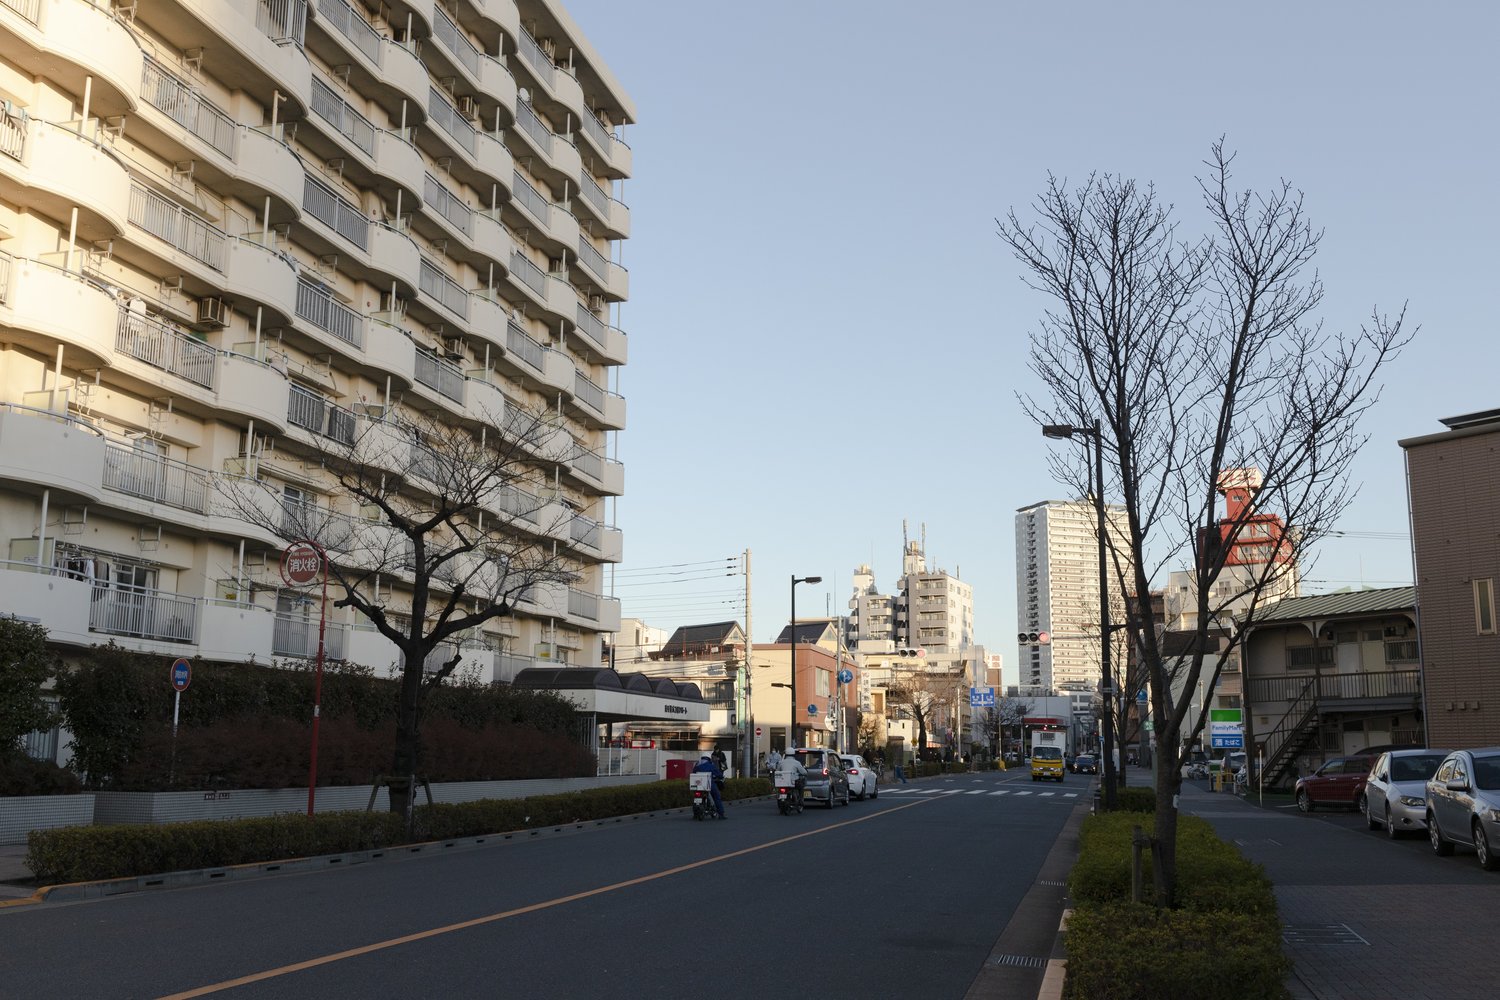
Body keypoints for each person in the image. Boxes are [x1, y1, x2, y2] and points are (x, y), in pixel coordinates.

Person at [692, 754, 726, 819]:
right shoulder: (711, 766)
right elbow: (719, 774)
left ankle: (695, 814)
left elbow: (693, 773)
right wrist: (720, 776)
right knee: (717, 797)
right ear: (708, 759)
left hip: (698, 785)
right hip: (709, 784)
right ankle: (721, 814)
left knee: (696, 797)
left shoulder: (697, 765)